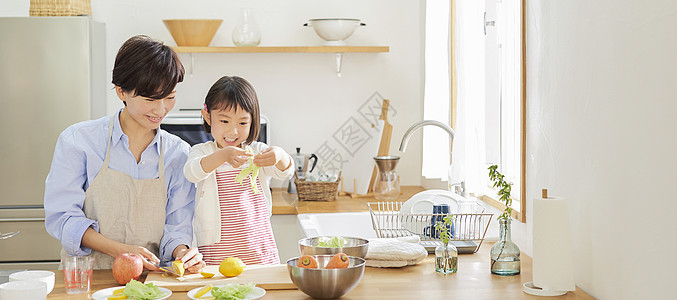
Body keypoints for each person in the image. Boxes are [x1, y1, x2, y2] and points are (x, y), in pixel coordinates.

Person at [44, 35, 205, 272]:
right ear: (121, 91)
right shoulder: (78, 141)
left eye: (169, 97)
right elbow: (64, 219)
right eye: (150, 99)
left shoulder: (178, 153)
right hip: (88, 277)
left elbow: (176, 228)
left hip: (154, 283)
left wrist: (183, 252)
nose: (161, 110)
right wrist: (121, 250)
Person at [184, 76, 294, 265]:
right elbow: (191, 172)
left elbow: (286, 172)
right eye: (225, 121)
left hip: (258, 248)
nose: (233, 131)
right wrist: (223, 156)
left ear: (253, 121)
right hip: (217, 252)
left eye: (242, 123)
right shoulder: (204, 152)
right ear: (207, 116)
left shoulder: (257, 151)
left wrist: (280, 155)